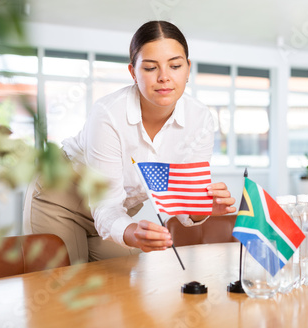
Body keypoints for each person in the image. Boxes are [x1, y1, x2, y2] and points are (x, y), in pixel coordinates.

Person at [23, 20, 236, 264]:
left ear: (188, 69)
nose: (164, 77)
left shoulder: (200, 119)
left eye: (175, 65)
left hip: (117, 211)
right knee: (67, 288)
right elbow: (105, 204)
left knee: (127, 284)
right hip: (60, 200)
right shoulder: (109, 114)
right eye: (150, 68)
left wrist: (203, 208)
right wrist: (131, 231)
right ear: (133, 72)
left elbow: (184, 200)